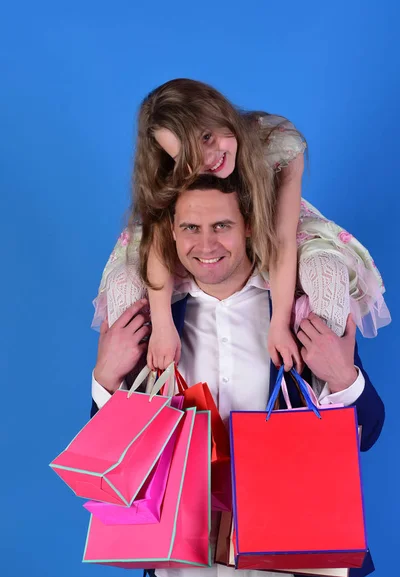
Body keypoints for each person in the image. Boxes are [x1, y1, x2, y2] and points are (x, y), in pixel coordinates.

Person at [92, 175, 385, 577]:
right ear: (172, 231)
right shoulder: (153, 323)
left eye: (221, 226)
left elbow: (369, 433)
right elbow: (110, 458)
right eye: (191, 227)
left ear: (248, 224)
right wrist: (104, 378)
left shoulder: (300, 311)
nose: (206, 244)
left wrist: (343, 378)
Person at [92, 78, 391, 375]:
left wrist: (279, 324)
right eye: (187, 156)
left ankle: (321, 392)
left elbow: (284, 240)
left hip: (271, 227)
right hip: (196, 234)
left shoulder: (278, 142)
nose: (207, 159)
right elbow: (158, 245)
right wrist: (162, 326)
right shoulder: (169, 174)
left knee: (325, 270)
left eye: (207, 137)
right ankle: (135, 399)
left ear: (220, 113)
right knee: (125, 280)